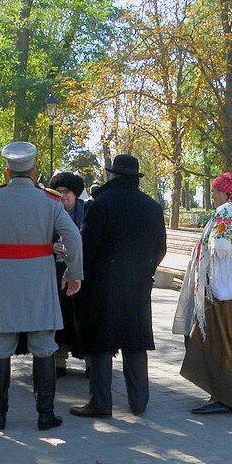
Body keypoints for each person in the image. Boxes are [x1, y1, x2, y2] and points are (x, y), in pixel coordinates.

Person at [0, 142, 83, 432]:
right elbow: (73, 238)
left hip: (3, 279)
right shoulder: (50, 201)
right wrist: (73, 272)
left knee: (1, 346)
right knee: (43, 346)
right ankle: (45, 415)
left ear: (7, 172)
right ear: (34, 170)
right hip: (40, 280)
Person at [71, 154, 166, 419]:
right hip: (137, 285)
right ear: (135, 178)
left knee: (102, 342)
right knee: (135, 341)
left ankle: (101, 403)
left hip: (104, 284)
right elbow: (161, 248)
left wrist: (81, 275)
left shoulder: (102, 203)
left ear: (112, 175)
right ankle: (139, 401)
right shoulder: (153, 207)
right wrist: (146, 271)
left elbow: (86, 246)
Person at [173, 172, 232, 414]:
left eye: (215, 191)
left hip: (225, 292)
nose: (212, 195)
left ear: (226, 192)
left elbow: (220, 249)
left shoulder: (226, 212)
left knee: (219, 343)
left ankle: (223, 396)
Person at [48, 171, 89, 378]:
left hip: (83, 275)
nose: (62, 196)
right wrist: (50, 246)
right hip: (55, 274)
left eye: (66, 192)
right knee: (59, 317)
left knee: (85, 318)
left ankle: (91, 360)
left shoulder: (88, 211)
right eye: (58, 192)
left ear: (75, 194)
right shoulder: (48, 212)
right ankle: (58, 360)